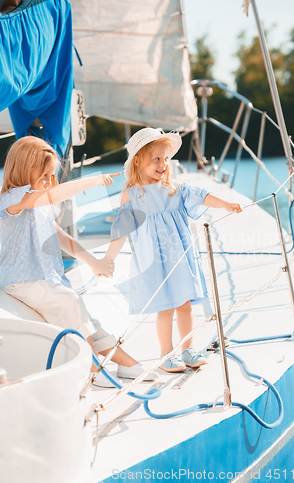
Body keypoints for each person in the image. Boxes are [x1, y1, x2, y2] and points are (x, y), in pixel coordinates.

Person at [0, 136, 158, 383]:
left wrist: (94, 263)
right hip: (22, 279)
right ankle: (91, 370)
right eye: (44, 176)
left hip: (45, 277)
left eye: (52, 177)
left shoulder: (41, 201)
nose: (49, 182)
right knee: (71, 302)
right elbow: (48, 197)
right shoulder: (13, 198)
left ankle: (123, 361)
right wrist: (91, 182)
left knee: (85, 315)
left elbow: (59, 235)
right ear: (25, 170)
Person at [102, 127, 242, 373]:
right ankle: (166, 353)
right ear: (138, 161)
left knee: (185, 304)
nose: (163, 164)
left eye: (166, 159)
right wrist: (108, 260)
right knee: (166, 307)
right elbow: (121, 231)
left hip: (180, 257)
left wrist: (226, 204)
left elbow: (202, 196)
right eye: (156, 159)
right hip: (156, 261)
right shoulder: (132, 196)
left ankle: (188, 349)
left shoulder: (174, 189)